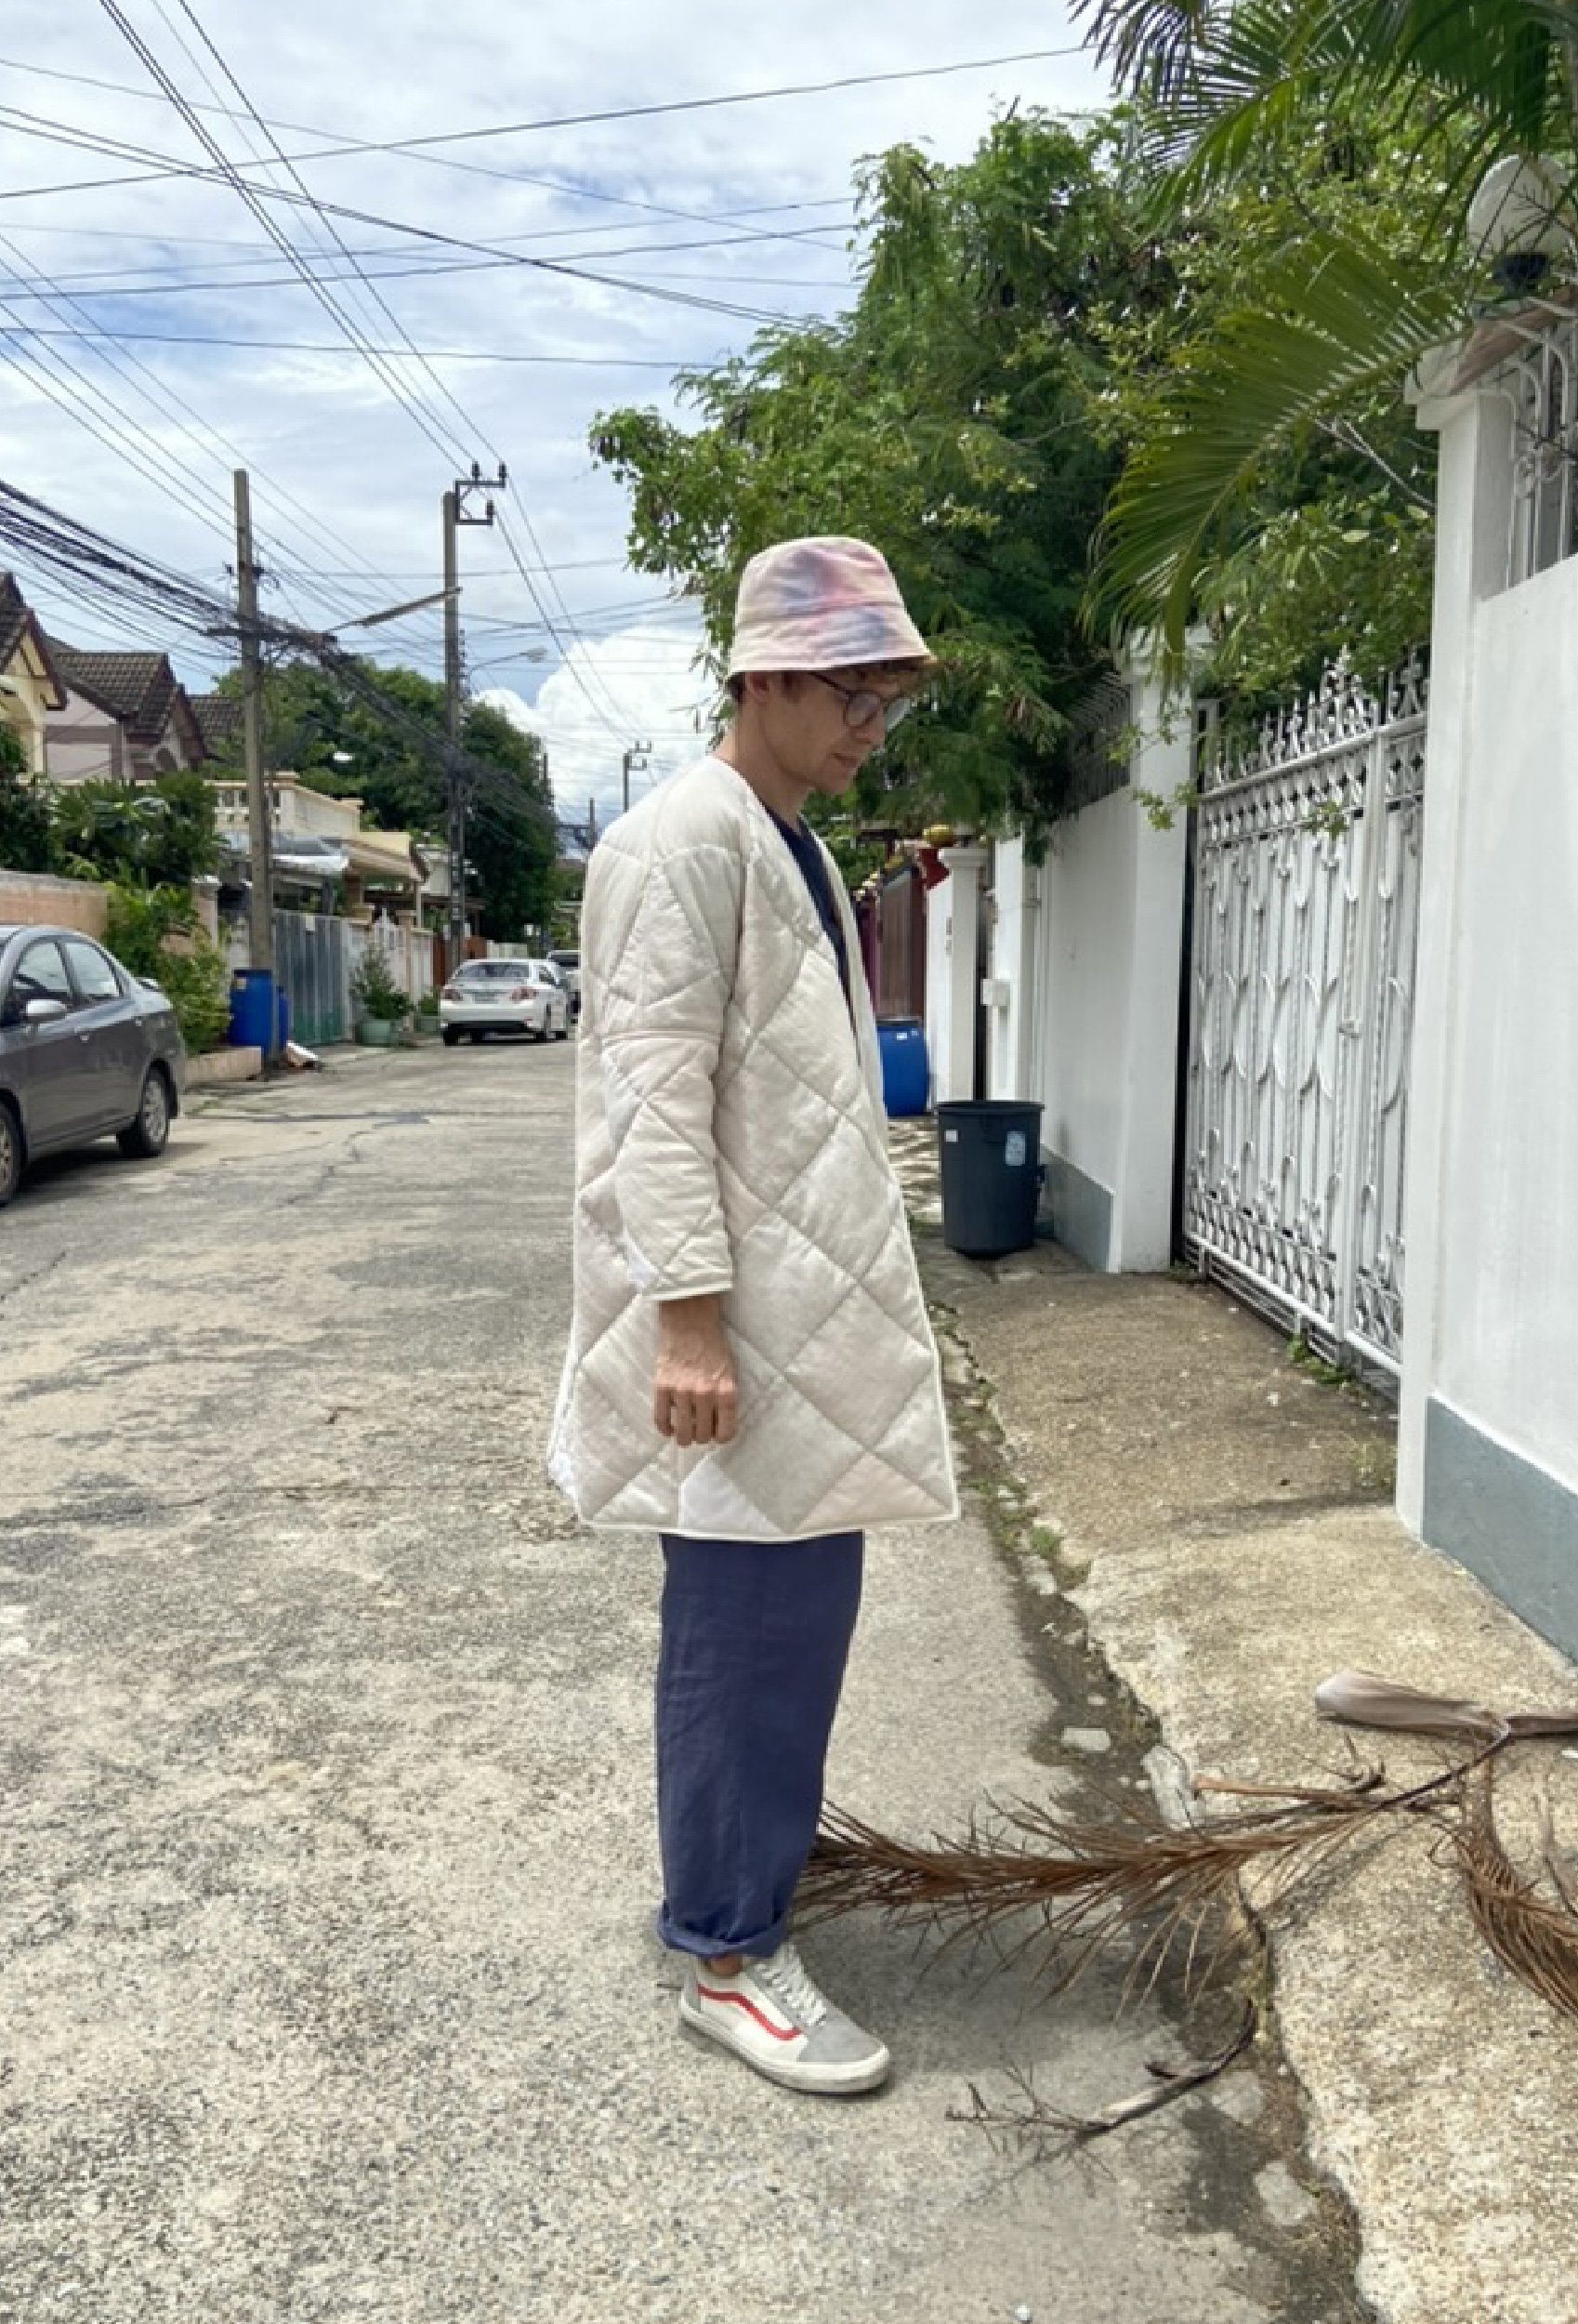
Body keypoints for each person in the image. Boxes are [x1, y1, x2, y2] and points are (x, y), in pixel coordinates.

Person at [548, 535, 958, 2096]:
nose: (872, 725)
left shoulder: (773, 837)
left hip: (794, 1314)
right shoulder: (682, 843)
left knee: (787, 1620)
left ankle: (733, 1904)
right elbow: (653, 1101)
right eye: (856, 690)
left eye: (887, 699)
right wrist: (691, 1322)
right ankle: (728, 1955)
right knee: (748, 1631)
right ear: (768, 674)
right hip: (743, 1326)